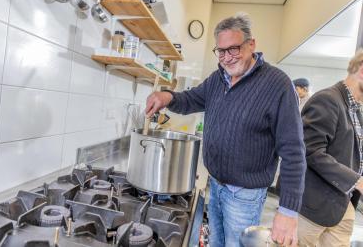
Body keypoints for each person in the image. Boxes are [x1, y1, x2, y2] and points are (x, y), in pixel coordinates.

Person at [145, 13, 306, 247]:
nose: (227, 58)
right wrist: (167, 96)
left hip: (245, 196)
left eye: (234, 49)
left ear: (251, 44)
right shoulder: (217, 79)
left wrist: (288, 211)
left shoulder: (278, 84)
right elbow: (190, 99)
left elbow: (294, 151)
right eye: (221, 51)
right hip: (216, 186)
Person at [298, 50, 363, 247]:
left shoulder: (356, 109)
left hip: (343, 204)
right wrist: (357, 181)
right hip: (313, 204)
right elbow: (311, 151)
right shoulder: (327, 99)